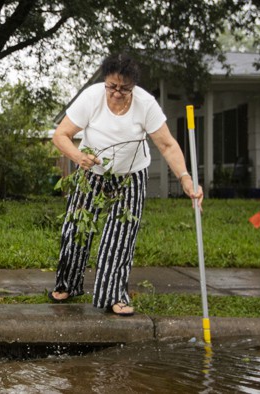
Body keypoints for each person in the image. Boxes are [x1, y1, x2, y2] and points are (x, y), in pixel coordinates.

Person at [49, 54, 203, 316]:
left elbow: (166, 145)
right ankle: (68, 284)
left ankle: (114, 295)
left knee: (120, 236)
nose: (117, 93)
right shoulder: (91, 98)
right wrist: (78, 157)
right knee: (76, 228)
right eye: (112, 86)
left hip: (131, 175)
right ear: (105, 82)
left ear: (133, 86)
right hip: (91, 172)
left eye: (124, 88)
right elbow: (60, 135)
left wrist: (185, 178)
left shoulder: (145, 104)